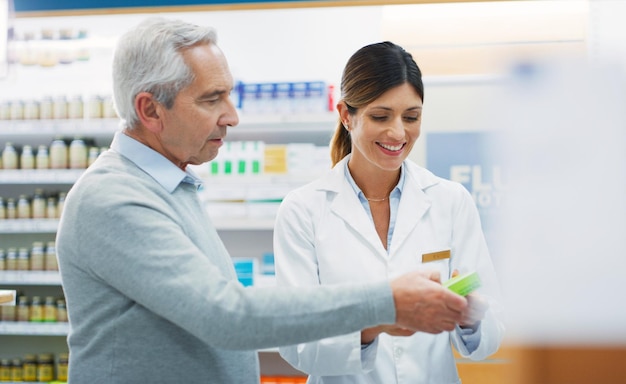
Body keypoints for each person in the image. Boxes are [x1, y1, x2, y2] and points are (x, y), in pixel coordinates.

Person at [55, 18, 472, 383]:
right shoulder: (113, 198)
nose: (232, 115)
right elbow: (226, 316)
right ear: (150, 110)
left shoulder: (172, 187)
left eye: (228, 95)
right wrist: (385, 302)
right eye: (211, 98)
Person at [273, 41, 505, 383]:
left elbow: (492, 332)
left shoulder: (451, 201)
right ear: (346, 115)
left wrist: (471, 318)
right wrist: (373, 325)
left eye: (411, 117)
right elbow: (296, 343)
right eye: (380, 116)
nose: (398, 132)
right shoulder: (304, 209)